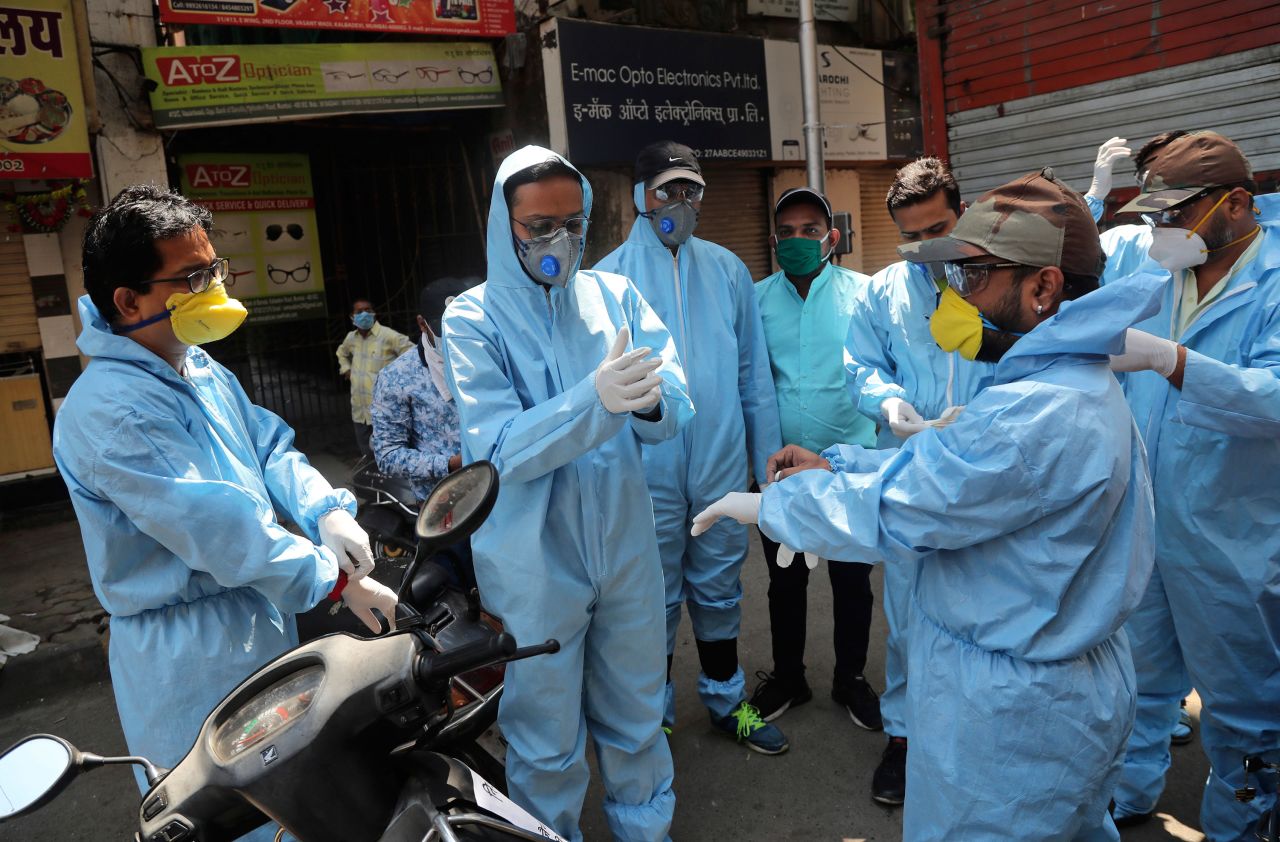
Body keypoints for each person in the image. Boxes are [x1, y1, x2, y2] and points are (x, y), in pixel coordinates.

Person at [693, 168, 1162, 840]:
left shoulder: (1033, 412)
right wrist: (845, 459)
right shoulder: (1068, 382)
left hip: (1012, 717)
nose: (958, 295)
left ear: (1044, 286)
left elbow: (905, 509)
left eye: (975, 277)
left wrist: (766, 507)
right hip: (1057, 689)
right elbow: (951, 473)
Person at [52, 186, 399, 836]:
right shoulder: (108, 412)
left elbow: (267, 445)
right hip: (186, 654)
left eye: (213, 270)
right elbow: (221, 531)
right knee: (231, 818)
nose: (211, 287)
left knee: (290, 804)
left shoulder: (197, 366)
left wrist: (324, 509)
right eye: (191, 277)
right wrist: (336, 582)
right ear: (128, 301)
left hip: (257, 617)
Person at [440, 146, 694, 842]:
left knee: (637, 719)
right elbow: (497, 450)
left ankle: (647, 832)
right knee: (545, 741)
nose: (560, 240)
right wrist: (596, 401)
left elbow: (675, 407)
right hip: (533, 562)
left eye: (573, 222)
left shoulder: (615, 297)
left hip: (624, 546)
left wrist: (648, 406)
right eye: (539, 225)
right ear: (504, 224)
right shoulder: (474, 318)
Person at [1105, 130, 1280, 837]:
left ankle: (1243, 823)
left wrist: (1177, 362)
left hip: (1233, 538)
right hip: (1149, 521)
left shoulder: (1272, 280)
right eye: (1153, 215)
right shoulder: (1163, 273)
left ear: (1236, 203)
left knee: (1245, 709)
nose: (1162, 230)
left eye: (1176, 213)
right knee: (1142, 679)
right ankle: (1134, 787)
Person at [594, 140, 784, 754]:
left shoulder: (728, 270)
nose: (679, 201)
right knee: (652, 598)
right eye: (666, 189)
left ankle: (729, 703)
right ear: (639, 199)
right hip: (643, 472)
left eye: (690, 190)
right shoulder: (605, 282)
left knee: (721, 587)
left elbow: (754, 379)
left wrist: (769, 470)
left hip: (722, 465)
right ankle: (658, 716)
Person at [841, 157, 996, 805]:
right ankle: (904, 737)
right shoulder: (882, 292)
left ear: (961, 211)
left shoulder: (996, 276)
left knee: (991, 611)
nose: (929, 248)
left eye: (938, 228)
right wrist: (888, 405)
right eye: (914, 237)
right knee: (906, 618)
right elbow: (858, 365)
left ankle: (985, 735)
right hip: (909, 474)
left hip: (990, 478)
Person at [747, 187, 881, 734]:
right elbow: (750, 381)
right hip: (780, 471)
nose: (798, 239)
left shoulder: (865, 295)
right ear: (774, 240)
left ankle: (850, 678)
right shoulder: (756, 300)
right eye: (787, 231)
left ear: (832, 237)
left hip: (847, 467)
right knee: (786, 581)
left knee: (852, 581)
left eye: (810, 229)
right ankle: (788, 676)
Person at [371, 282, 471, 502]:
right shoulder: (397, 378)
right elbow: (388, 455)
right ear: (422, 324)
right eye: (447, 328)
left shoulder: (492, 357)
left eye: (463, 325)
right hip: (446, 509)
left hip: (505, 497)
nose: (456, 336)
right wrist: (449, 464)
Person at [337, 298, 412, 458]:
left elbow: (412, 354)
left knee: (386, 455)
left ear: (374, 313)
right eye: (359, 312)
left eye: (368, 310)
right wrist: (346, 369)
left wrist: (400, 381)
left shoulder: (388, 336)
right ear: (352, 316)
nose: (364, 314)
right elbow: (341, 352)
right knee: (367, 455)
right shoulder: (352, 338)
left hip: (382, 410)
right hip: (360, 409)